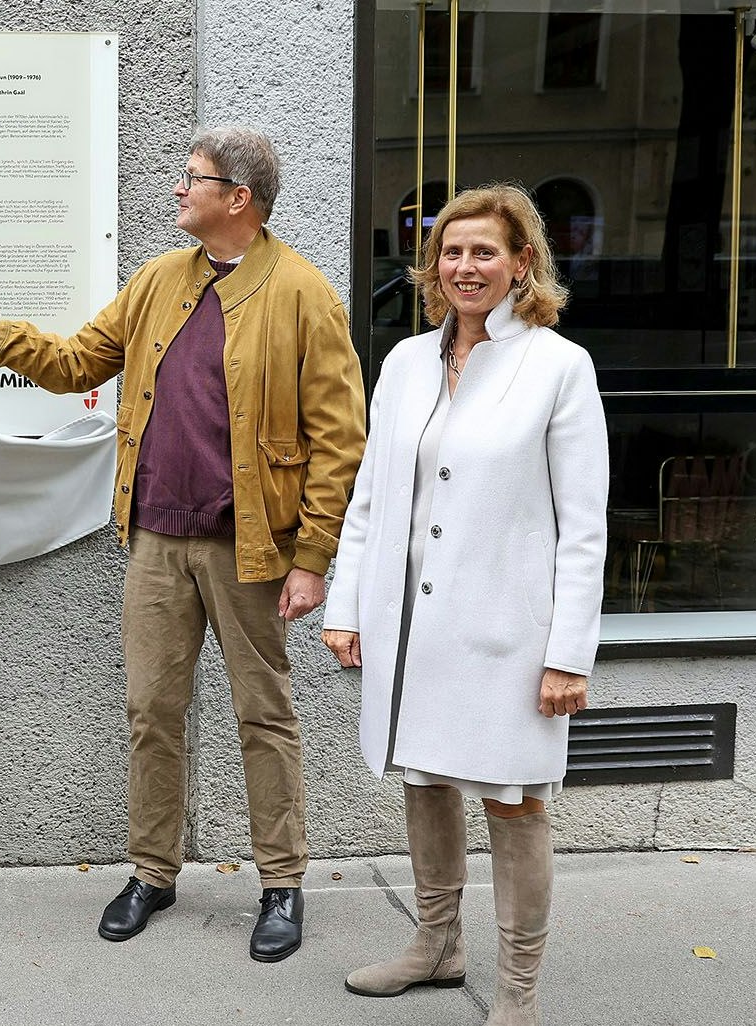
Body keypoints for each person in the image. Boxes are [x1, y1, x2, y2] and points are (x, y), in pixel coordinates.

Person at [0, 125, 366, 961]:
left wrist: (313, 557)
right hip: (155, 539)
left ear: (236, 198)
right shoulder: (159, 280)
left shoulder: (303, 293)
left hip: (250, 547)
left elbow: (338, 436)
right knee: (150, 714)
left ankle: (280, 884)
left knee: (264, 715)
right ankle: (151, 872)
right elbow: (74, 362)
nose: (177, 190)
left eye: (190, 179)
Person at [321, 184, 608, 1026]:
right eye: (450, 251)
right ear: (430, 265)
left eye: (484, 251)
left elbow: (583, 528)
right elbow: (371, 496)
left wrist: (567, 655)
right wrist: (347, 603)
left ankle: (517, 989)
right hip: (411, 626)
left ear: (522, 263)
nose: (464, 267)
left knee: (512, 800)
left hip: (505, 633)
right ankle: (436, 945)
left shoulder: (559, 366)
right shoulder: (406, 362)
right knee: (423, 778)